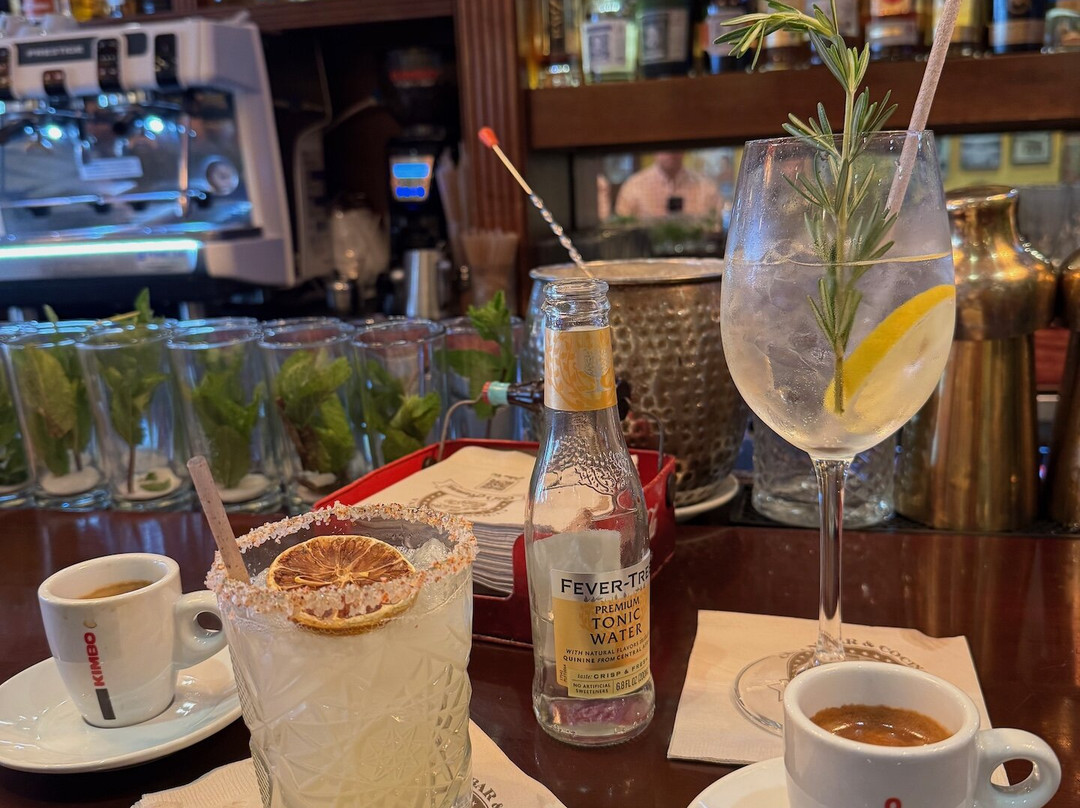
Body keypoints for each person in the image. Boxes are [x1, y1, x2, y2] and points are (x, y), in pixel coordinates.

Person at [613, 151, 722, 223]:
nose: (671, 153)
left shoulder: (706, 187)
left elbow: (718, 226)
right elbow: (622, 229)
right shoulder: (633, 186)